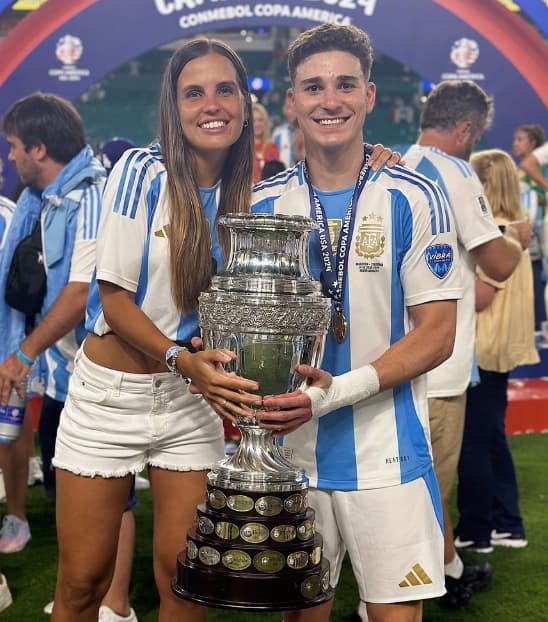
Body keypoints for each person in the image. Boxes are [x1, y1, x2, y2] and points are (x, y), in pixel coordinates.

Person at [252, 23, 462, 622]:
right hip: (290, 458)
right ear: (290, 101)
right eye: (313, 87)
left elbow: (437, 333)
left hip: (388, 457)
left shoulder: (414, 197)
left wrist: (336, 392)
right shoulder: (265, 207)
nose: (330, 100)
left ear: (369, 96)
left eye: (346, 85)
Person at [50, 38, 263, 622]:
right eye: (194, 92)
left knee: (186, 575)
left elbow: (329, 174)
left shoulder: (256, 189)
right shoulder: (140, 171)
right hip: (108, 400)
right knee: (81, 583)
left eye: (226, 89)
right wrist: (181, 359)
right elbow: (115, 302)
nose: (211, 104)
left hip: (187, 403)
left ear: (246, 105)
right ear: (174, 106)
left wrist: (378, 158)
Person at [0, 93, 138, 622]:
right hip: (61, 377)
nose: (10, 158)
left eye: (14, 147)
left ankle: (115, 603)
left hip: (95, 374)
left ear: (39, 147)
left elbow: (81, 293)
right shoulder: (49, 201)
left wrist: (22, 352)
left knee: (110, 494)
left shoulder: (89, 199)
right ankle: (84, 591)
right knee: (75, 497)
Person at [400, 81, 531, 608]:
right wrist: (515, 238)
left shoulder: (394, 163)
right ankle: (407, 592)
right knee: (427, 487)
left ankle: (448, 569)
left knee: (411, 479)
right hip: (439, 360)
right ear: (466, 130)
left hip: (393, 357)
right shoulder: (454, 171)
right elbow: (496, 263)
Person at [455, 149, 539, 552]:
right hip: (499, 350)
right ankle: (508, 524)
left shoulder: (496, 236)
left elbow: (480, 297)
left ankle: (475, 529)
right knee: (492, 439)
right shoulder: (518, 231)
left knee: (475, 441)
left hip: (482, 350)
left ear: (486, 185)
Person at [513, 125, 547, 329]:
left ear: (533, 144)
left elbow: (540, 200)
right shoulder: (519, 171)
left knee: (534, 283)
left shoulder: (537, 170)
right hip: (522, 236)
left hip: (534, 237)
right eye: (515, 139)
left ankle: (537, 327)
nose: (515, 144)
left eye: (520, 139)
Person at [252, 101, 280, 182]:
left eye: (260, 120)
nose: (257, 124)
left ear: (265, 122)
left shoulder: (273, 148)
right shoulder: (242, 150)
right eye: (254, 121)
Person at [272, 90, 298, 168]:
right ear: (284, 110)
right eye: (288, 108)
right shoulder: (278, 133)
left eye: (294, 108)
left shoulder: (310, 132)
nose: (291, 112)